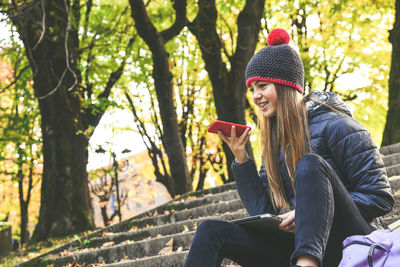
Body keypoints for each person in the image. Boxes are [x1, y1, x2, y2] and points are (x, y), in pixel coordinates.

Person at [184, 28, 394, 267]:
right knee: (210, 230)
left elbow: (380, 197)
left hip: (349, 241)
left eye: (262, 86)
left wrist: (310, 213)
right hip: (297, 245)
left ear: (285, 85)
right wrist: (241, 159)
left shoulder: (338, 126)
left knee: (311, 164)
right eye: (252, 89)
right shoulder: (275, 143)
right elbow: (262, 210)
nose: (255, 96)